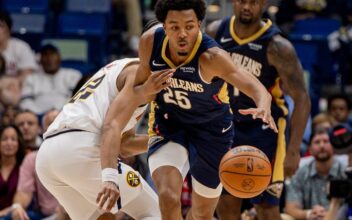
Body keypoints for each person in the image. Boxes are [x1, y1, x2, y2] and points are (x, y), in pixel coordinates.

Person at [137, 1, 277, 219]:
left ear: (200, 25)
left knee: (202, 214)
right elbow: (138, 89)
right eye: (174, 27)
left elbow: (255, 87)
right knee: (167, 195)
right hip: (169, 124)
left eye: (189, 26)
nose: (183, 34)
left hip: (212, 132)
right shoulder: (149, 43)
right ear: (164, 26)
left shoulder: (212, 57)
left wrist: (263, 104)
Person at [206, 0, 310, 219]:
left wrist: (293, 150)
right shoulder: (216, 32)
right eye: (242, 1)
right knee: (225, 203)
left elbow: (301, 99)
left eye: (253, 2)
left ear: (263, 3)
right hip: (226, 126)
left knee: (267, 207)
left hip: (265, 131)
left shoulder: (277, 46)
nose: (247, 7)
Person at [35, 57, 173, 220]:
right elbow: (111, 126)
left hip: (48, 156)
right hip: (81, 148)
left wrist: (164, 140)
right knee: (156, 212)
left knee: (103, 216)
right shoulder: (138, 73)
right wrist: (110, 178)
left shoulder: (123, 72)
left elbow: (124, 144)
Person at [284, 130, 346, 220]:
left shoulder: (344, 172)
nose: (322, 146)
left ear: (334, 146)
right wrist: (309, 213)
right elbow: (291, 208)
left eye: (326, 141)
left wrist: (330, 214)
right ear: (310, 150)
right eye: (317, 142)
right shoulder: (300, 172)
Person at [10, 109, 60, 220]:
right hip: (47, 215)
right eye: (51, 124)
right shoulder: (32, 158)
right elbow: (24, 192)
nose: (57, 126)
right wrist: (17, 206)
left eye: (60, 121)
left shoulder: (81, 152)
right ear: (43, 130)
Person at [20, 44, 82, 115]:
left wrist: (60, 111)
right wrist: (40, 115)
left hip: (66, 115)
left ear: (59, 57)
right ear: (40, 60)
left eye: (52, 54)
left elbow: (77, 98)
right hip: (38, 118)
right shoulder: (31, 78)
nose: (49, 58)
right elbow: (25, 101)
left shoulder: (73, 75)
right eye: (45, 55)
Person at [0, 11, 38, 82]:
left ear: (9, 29)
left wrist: (6, 85)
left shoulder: (21, 47)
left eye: (0, 26)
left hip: (16, 90)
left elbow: (27, 75)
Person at [0, 125, 25, 218]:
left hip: (17, 215)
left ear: (19, 143)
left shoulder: (24, 168)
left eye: (13, 139)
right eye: (4, 139)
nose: (9, 143)